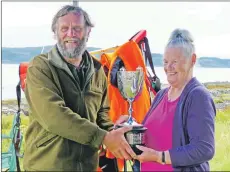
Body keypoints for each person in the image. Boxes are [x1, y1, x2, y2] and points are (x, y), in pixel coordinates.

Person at [23, 5, 136, 171]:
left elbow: (101, 117)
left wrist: (116, 131)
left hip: (86, 167)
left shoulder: (97, 71)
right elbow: (55, 117)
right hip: (47, 166)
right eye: (64, 29)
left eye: (77, 28)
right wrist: (104, 138)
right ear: (55, 33)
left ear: (88, 32)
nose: (71, 34)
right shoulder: (40, 67)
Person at [116, 28, 216, 171]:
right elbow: (149, 137)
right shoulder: (161, 95)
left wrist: (159, 156)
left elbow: (204, 148)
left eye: (175, 61)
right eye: (165, 61)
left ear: (192, 60)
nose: (168, 67)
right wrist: (128, 128)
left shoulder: (198, 96)